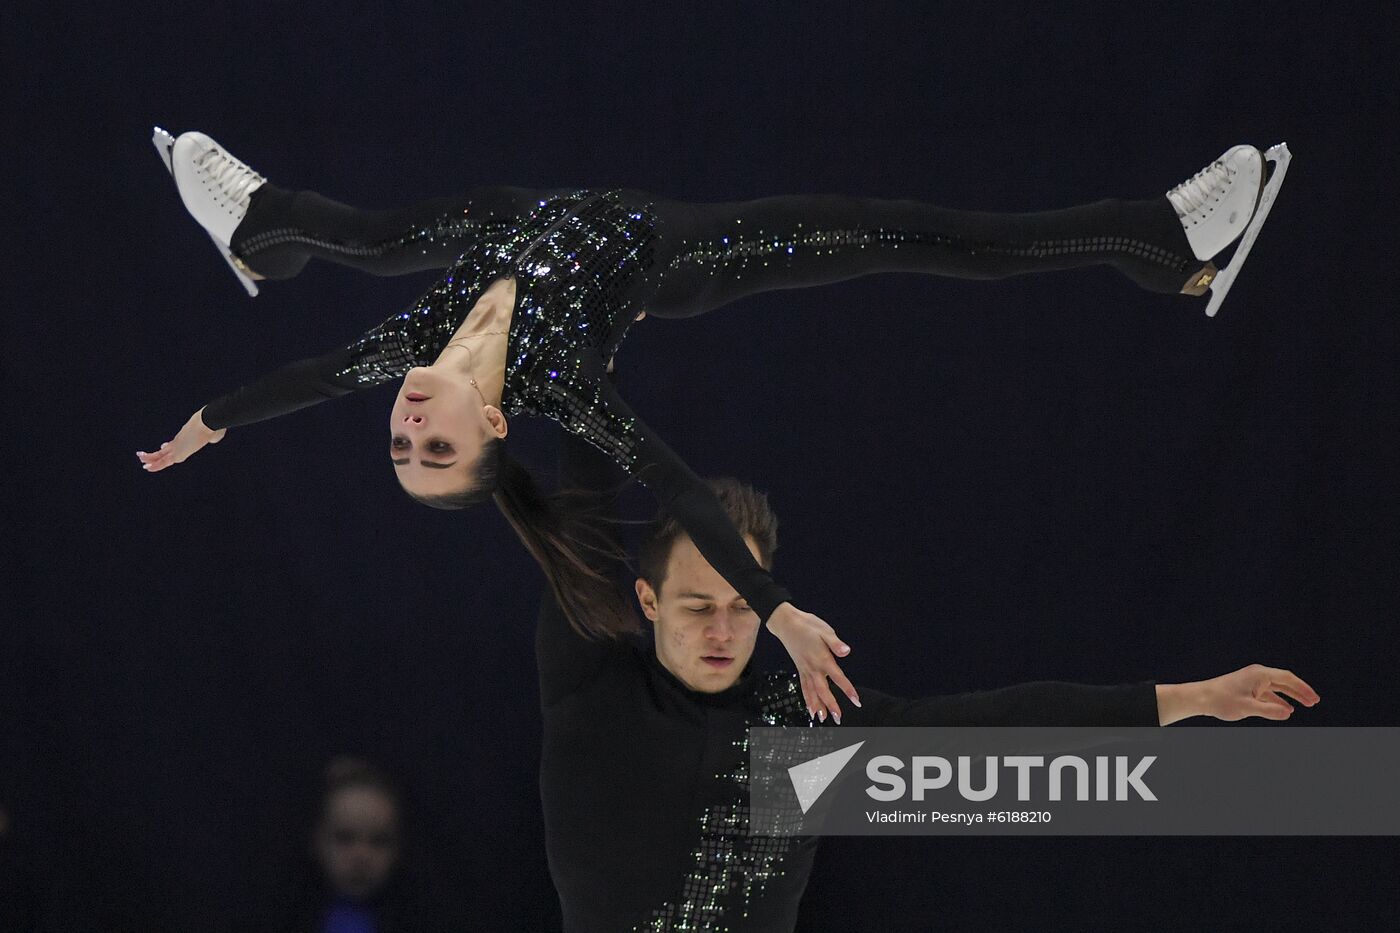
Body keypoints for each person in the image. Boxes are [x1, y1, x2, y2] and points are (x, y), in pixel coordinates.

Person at [137, 129, 1289, 719]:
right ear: (491, 423)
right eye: (436, 451)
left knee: (359, 233)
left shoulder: (406, 344)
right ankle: (1154, 242)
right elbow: (679, 487)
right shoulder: (555, 380)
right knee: (907, 232)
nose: (406, 427)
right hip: (672, 253)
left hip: (504, 222)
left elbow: (302, 381)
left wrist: (204, 424)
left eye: (398, 446)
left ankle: (256, 231)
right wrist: (775, 609)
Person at [536, 417, 1319, 932]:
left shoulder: (799, 735)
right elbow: (580, 514)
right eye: (698, 605)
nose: (722, 630)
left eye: (745, 606)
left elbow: (997, 731)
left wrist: (1193, 698)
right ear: (648, 600)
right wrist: (596, 349)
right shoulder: (594, 690)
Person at [237, 756, 446, 933]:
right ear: (316, 841)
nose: (362, 856)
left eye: (379, 841)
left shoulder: (424, 918)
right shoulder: (280, 915)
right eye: (344, 838)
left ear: (399, 847)